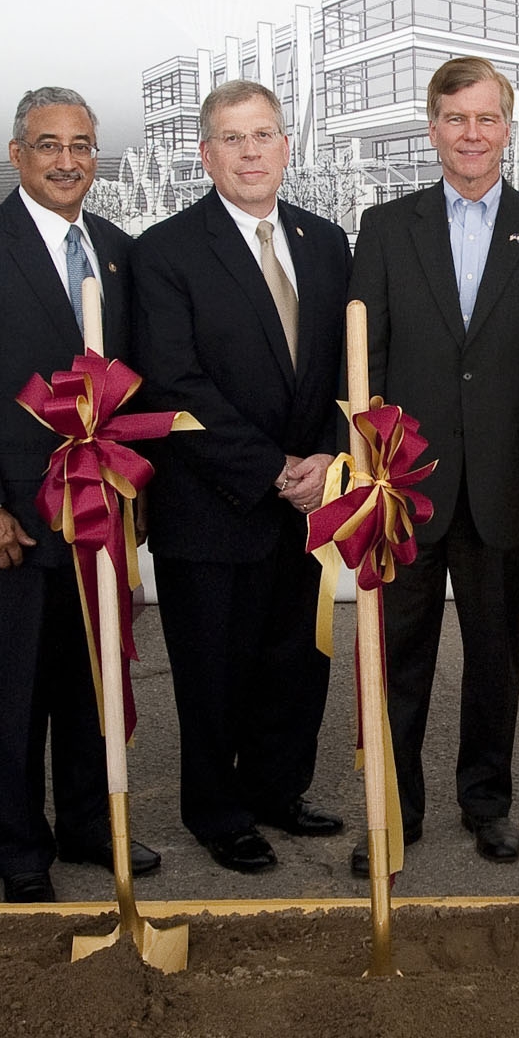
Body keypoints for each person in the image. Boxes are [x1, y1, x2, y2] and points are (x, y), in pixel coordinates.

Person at [347, 57, 519, 878]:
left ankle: (487, 801)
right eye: (456, 119)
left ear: (507, 129)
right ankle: (395, 811)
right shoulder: (385, 227)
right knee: (398, 658)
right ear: (432, 128)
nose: (472, 134)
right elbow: (364, 367)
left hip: (507, 492)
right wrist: (366, 478)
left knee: (495, 658)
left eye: (487, 119)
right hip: (406, 489)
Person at [0, 87, 154, 903]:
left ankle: (89, 822)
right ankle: (19, 846)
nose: (66, 160)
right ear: (18, 154)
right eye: (48, 144)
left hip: (99, 513)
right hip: (10, 517)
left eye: (81, 144)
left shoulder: (120, 252)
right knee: (16, 689)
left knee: (94, 676)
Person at [131, 80, 351, 875]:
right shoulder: (164, 251)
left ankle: (276, 789)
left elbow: (349, 369)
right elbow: (172, 383)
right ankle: (216, 812)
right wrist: (269, 468)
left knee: (295, 660)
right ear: (206, 153)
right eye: (233, 137)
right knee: (213, 671)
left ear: (287, 146)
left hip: (309, 502)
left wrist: (329, 453)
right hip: (213, 503)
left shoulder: (328, 243)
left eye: (264, 135)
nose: (251, 151)